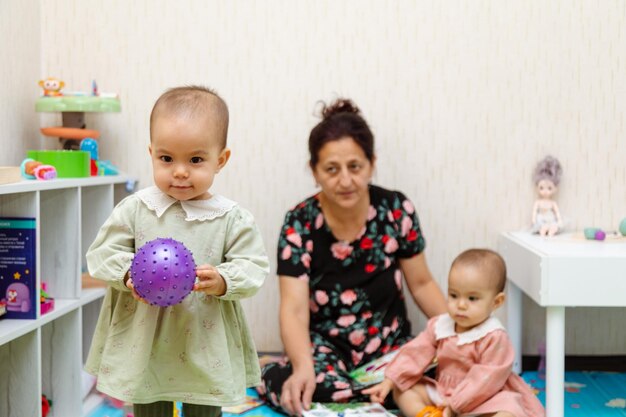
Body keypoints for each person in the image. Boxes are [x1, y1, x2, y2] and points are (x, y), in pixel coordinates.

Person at [85, 86, 270, 417]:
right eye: (166, 158)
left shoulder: (230, 217)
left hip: (203, 338)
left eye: (196, 159)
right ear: (152, 152)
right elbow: (101, 254)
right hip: (145, 341)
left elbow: (253, 265)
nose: (180, 171)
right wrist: (129, 275)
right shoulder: (136, 208)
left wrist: (223, 279)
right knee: (149, 401)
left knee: (204, 406)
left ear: (221, 159)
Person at [259, 98, 447, 415]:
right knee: (302, 385)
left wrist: (457, 339)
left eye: (355, 167)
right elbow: (292, 309)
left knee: (452, 373)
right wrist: (303, 365)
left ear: (372, 163)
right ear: (314, 171)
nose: (345, 181)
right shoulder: (299, 223)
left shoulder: (396, 209)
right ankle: (389, 394)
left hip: (391, 345)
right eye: (331, 169)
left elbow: (423, 283)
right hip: (326, 349)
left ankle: (382, 391)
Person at [364, 249, 545, 417]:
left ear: (496, 302)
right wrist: (390, 379)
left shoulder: (493, 336)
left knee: (509, 410)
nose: (461, 305)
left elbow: (486, 379)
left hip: (483, 396)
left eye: (472, 298)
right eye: (454, 295)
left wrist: (456, 405)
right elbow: (416, 351)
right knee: (403, 390)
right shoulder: (441, 326)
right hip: (443, 391)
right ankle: (428, 414)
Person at [530, 155, 563, 236]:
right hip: (541, 220)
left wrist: (559, 220)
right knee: (542, 228)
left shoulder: (552, 203)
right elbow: (534, 212)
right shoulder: (538, 202)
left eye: (549, 188)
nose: (545, 192)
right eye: (541, 188)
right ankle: (543, 232)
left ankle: (550, 232)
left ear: (555, 189)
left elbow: (557, 212)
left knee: (553, 227)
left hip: (551, 220)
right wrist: (533, 220)